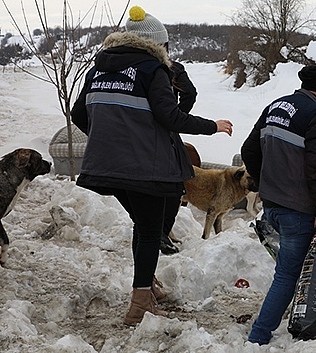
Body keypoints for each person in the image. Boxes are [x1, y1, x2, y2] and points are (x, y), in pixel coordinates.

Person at [71, 5, 234, 325]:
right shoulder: (152, 69)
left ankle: (146, 286)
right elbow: (169, 116)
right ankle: (139, 304)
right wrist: (212, 126)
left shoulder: (98, 69)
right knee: (149, 230)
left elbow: (79, 115)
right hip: (143, 165)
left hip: (104, 164)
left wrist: (108, 138)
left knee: (143, 225)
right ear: (157, 45)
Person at [241, 64, 316, 345]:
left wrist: (266, 181)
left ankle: (295, 314)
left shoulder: (276, 106)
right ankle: (259, 336)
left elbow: (249, 149)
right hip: (298, 208)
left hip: (273, 203)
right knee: (287, 274)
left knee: (292, 269)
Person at [157, 52, 200, 255]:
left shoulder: (118, 68)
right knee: (174, 186)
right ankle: (160, 234)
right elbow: (190, 93)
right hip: (164, 135)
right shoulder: (171, 68)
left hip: (132, 137)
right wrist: (176, 118)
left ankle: (151, 233)